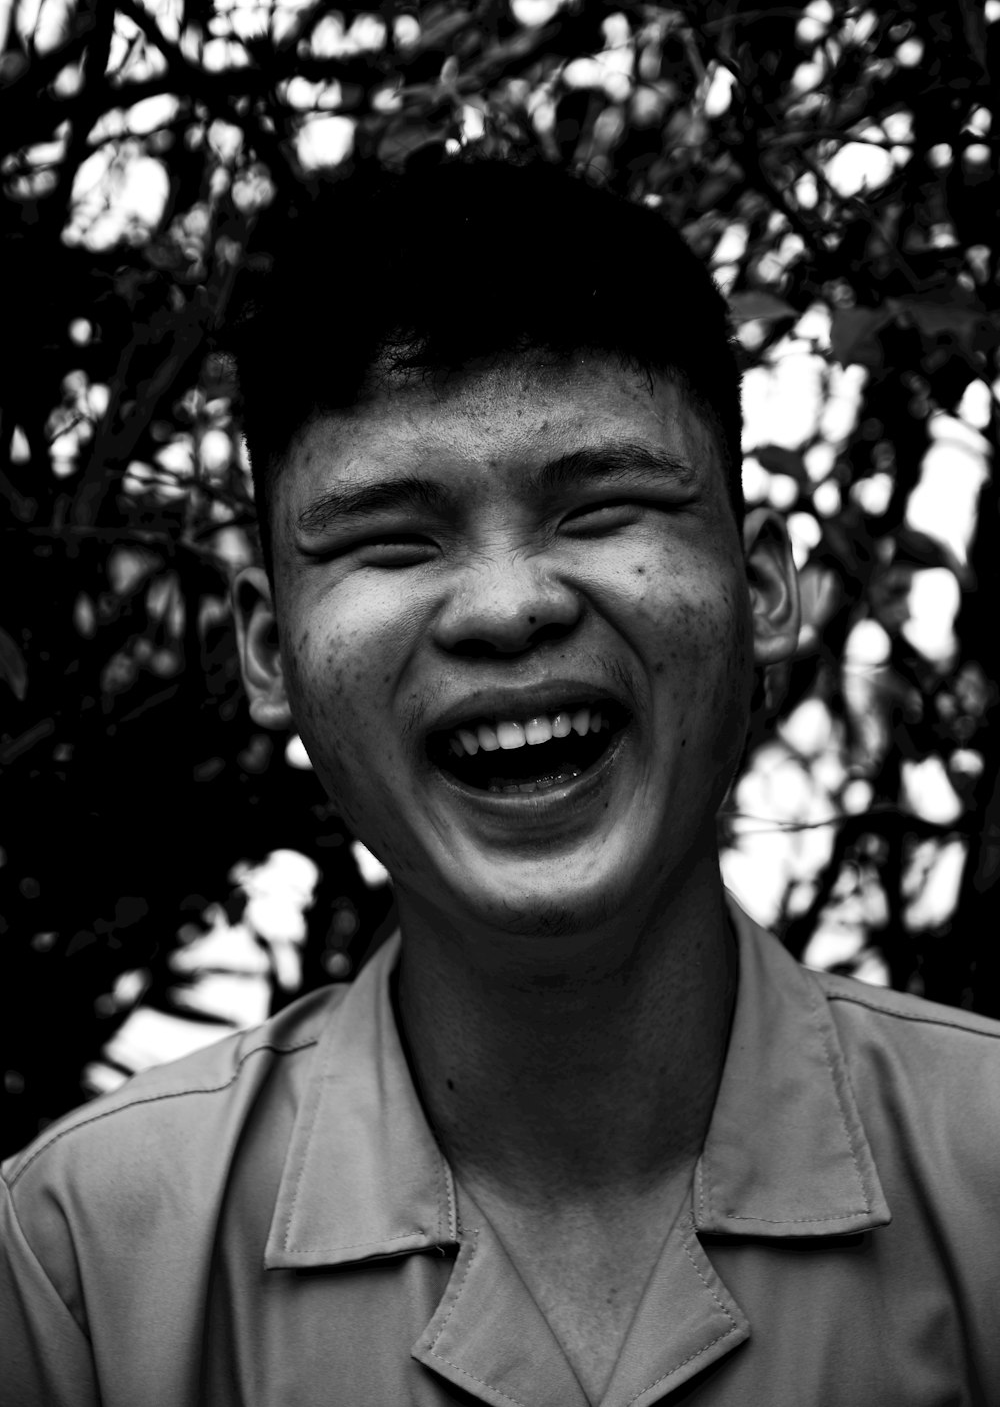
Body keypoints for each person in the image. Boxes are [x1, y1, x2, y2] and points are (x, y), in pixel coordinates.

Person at [2, 158, 998, 1407]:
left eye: (603, 507)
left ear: (765, 586)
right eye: (392, 539)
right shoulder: (84, 1261)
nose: (508, 607)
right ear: (269, 650)